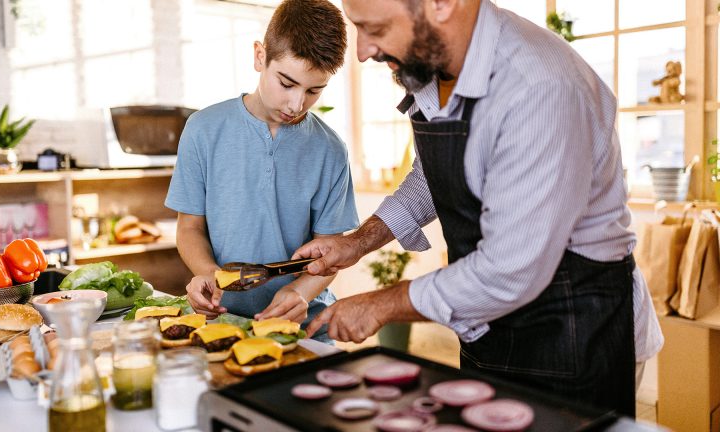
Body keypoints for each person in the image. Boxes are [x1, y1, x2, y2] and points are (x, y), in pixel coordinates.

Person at [294, 0, 663, 415]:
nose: (363, 51)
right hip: (489, 329)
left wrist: (380, 305)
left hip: (575, 331)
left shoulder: (538, 87)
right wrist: (358, 243)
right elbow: (436, 174)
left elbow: (510, 268)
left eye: (374, 29)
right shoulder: (434, 71)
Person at [165, 0, 358, 342]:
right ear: (259, 56)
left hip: (305, 325)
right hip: (222, 322)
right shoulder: (202, 130)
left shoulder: (330, 149)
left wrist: (301, 292)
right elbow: (189, 228)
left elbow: (331, 248)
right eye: (287, 83)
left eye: (314, 90)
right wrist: (208, 275)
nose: (297, 104)